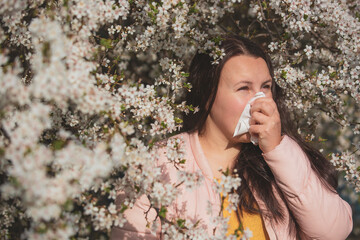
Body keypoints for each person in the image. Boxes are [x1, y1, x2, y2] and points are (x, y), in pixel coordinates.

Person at [111, 35, 353, 239]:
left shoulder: (280, 162)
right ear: (208, 95)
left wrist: (278, 149)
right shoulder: (157, 165)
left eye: (265, 87)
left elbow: (333, 231)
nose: (260, 101)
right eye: (243, 88)